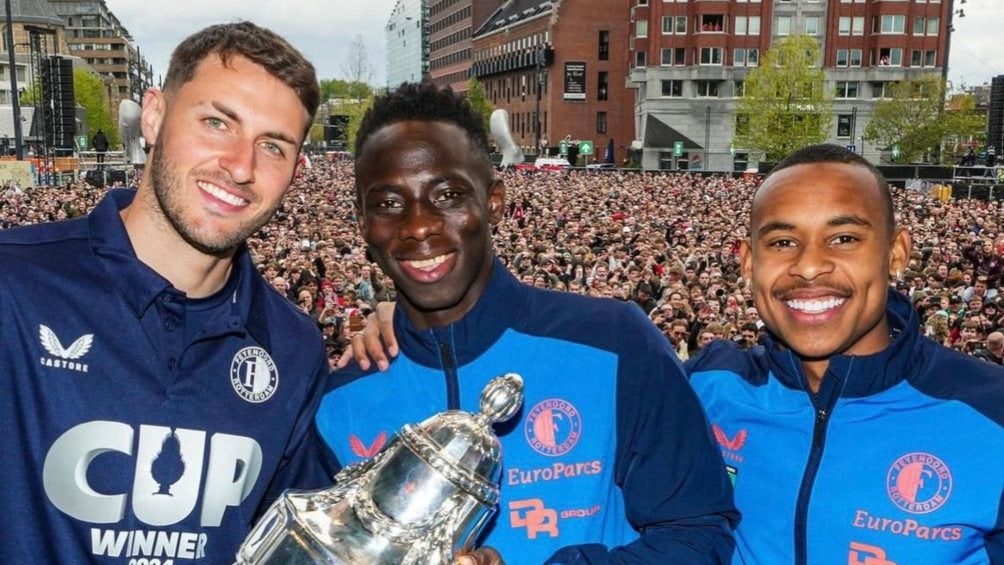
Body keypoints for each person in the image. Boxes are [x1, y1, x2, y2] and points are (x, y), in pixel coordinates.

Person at [316, 82, 738, 564]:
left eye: (448, 194)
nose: (418, 225)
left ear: (493, 201)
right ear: (361, 221)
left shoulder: (616, 343)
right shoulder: (338, 400)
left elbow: (698, 535)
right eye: (389, 203)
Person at [0, 22, 336, 563]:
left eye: (272, 146)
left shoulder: (294, 349)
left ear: (296, 170)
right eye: (216, 122)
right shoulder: (13, 287)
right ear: (153, 116)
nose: (241, 166)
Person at [687, 144, 1004, 564]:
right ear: (748, 263)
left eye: (844, 238)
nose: (811, 265)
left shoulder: (992, 414)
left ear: (896, 254)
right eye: (783, 242)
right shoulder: (701, 389)